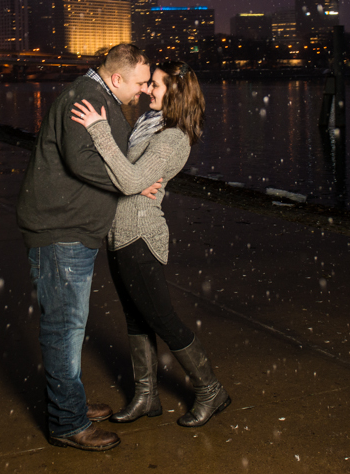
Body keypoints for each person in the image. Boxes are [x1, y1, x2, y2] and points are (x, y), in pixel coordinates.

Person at [70, 61, 231, 428]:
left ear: (174, 93)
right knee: (136, 318)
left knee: (163, 320)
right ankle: (147, 397)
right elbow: (126, 175)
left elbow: (128, 181)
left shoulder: (173, 138)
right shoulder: (147, 127)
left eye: (155, 85)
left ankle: (210, 390)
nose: (147, 90)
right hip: (119, 233)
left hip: (140, 235)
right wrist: (128, 173)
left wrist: (98, 130)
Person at [16, 43, 156, 452]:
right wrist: (131, 181)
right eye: (141, 82)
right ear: (117, 78)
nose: (145, 90)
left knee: (69, 328)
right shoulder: (86, 97)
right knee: (64, 329)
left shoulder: (98, 96)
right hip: (60, 231)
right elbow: (81, 160)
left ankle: (69, 404)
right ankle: (66, 423)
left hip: (71, 230)